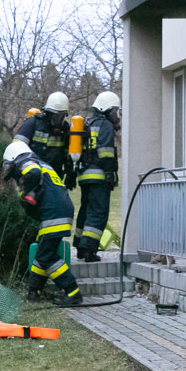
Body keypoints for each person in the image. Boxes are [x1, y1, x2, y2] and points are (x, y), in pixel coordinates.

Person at [3, 140, 82, 306]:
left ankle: (72, 292)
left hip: (53, 213)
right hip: (57, 212)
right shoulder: (42, 164)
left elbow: (31, 174)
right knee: (42, 252)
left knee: (46, 256)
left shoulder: (28, 163)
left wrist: (28, 194)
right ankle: (34, 291)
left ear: (14, 158)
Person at [74, 92, 121, 262]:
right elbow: (105, 151)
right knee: (98, 212)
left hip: (84, 176)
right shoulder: (105, 125)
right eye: (114, 110)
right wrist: (110, 173)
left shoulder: (88, 124)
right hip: (99, 176)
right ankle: (89, 250)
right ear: (106, 110)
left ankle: (79, 246)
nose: (116, 114)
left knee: (85, 209)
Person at [14, 92, 76, 189]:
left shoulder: (65, 128)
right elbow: (17, 148)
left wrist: (70, 173)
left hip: (54, 177)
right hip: (33, 175)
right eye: (55, 116)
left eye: (61, 116)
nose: (58, 121)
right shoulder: (33, 123)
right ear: (47, 113)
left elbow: (68, 154)